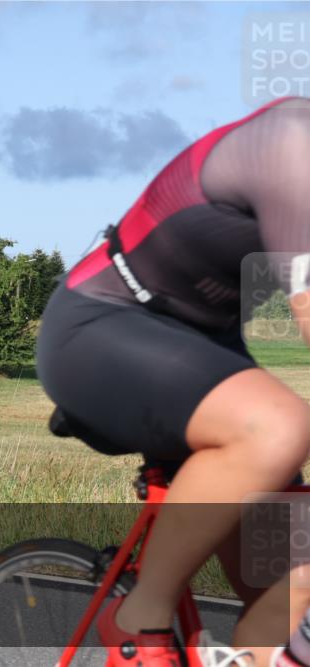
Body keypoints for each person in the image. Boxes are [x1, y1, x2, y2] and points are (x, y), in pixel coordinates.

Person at [36, 96, 310, 667]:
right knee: (277, 429)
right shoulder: (294, 144)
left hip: (206, 349)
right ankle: (140, 618)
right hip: (104, 324)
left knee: (293, 589)